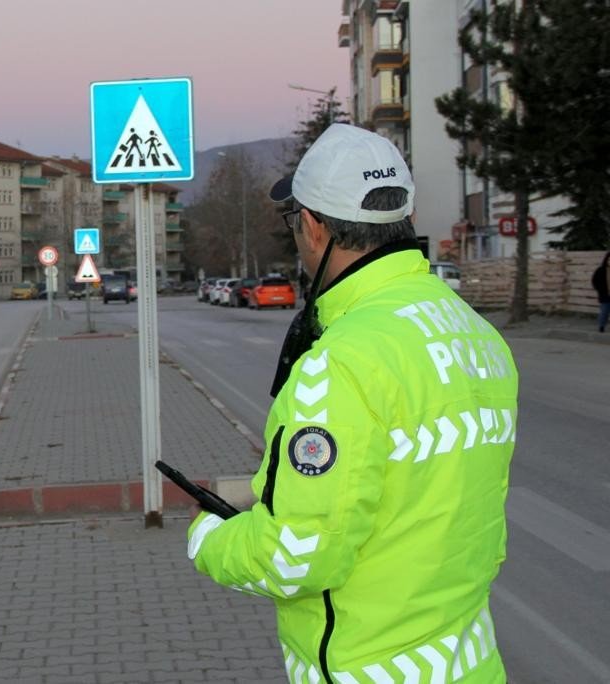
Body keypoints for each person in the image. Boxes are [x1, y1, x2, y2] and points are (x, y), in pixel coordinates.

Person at [186, 124, 519, 681]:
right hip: (469, 664)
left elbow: (294, 558)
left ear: (315, 227)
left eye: (294, 222)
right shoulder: (475, 333)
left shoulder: (341, 361)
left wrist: (208, 537)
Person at [592, 251, 610, 333]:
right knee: (604, 312)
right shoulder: (601, 270)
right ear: (606, 260)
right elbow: (594, 281)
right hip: (605, 295)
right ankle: (601, 326)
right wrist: (600, 290)